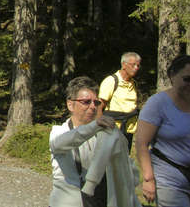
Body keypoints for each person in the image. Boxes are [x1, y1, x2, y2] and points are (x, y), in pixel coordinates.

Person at [49, 76, 141, 207]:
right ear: (70, 104)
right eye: (86, 102)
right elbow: (60, 143)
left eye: (96, 103)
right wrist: (94, 126)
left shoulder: (103, 134)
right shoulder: (59, 131)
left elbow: (125, 163)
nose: (93, 107)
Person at [136, 54, 190, 207]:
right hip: (169, 177)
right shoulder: (158, 103)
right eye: (187, 79)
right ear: (172, 76)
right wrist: (148, 179)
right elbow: (141, 144)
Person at [99, 52, 142, 151]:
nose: (136, 68)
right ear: (123, 64)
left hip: (129, 131)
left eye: (138, 65)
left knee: (124, 163)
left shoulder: (134, 83)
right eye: (133, 65)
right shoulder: (111, 81)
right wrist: (101, 130)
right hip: (113, 131)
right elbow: (99, 108)